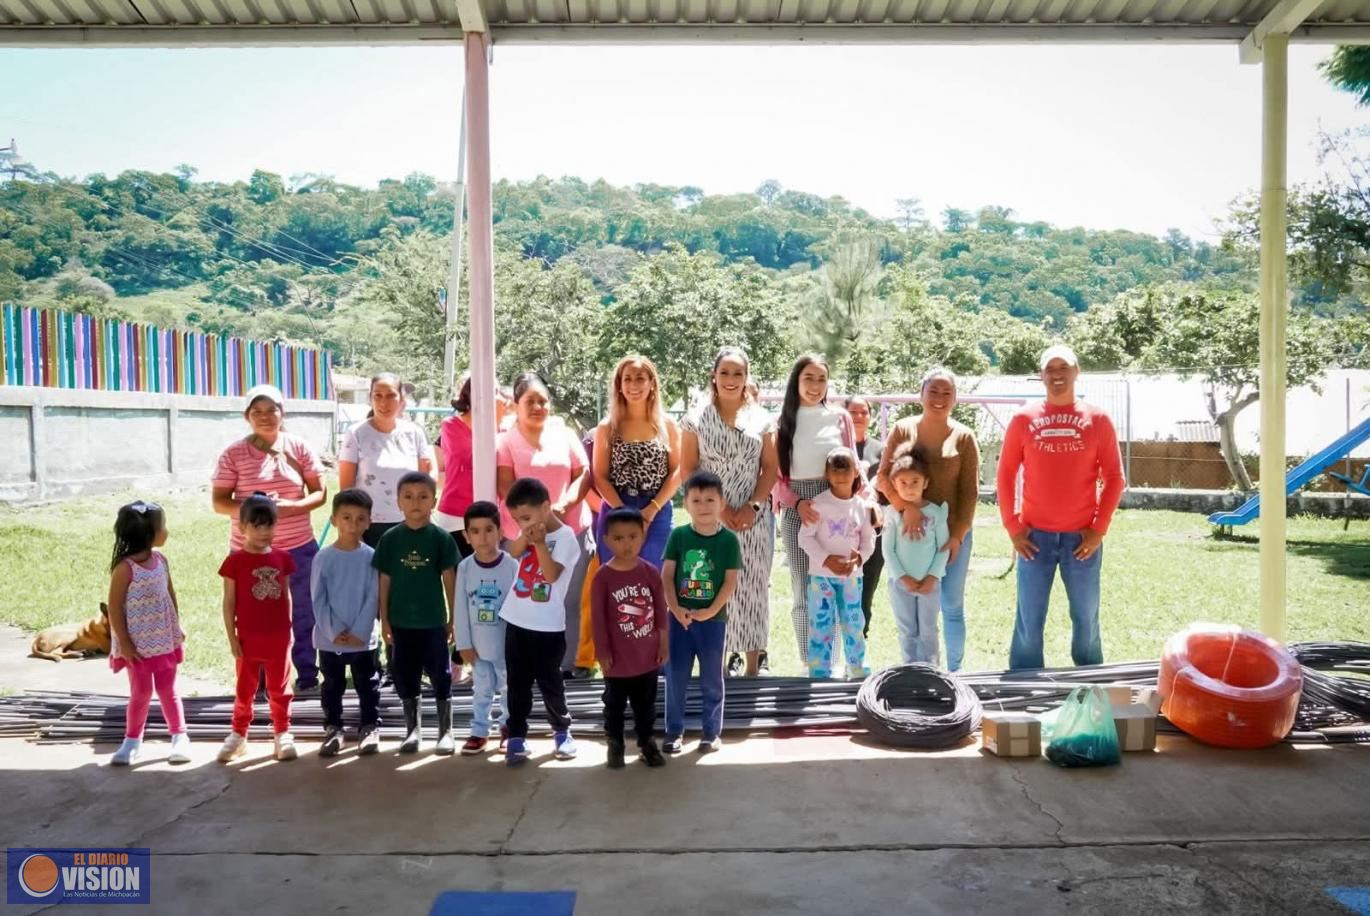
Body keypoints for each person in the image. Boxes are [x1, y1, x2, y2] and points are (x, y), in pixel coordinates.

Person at [998, 344, 1125, 670]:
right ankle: (1024, 690)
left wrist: (1098, 530)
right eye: (1050, 369)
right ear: (1041, 375)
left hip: (1081, 541)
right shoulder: (1024, 419)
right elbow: (1005, 474)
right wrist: (1013, 527)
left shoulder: (1097, 419)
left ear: (1076, 371)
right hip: (1034, 540)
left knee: (1086, 619)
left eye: (1063, 368)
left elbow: (1114, 477)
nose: (1057, 375)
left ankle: (1090, 685)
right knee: (1029, 621)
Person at [212, 384, 326, 693]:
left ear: (282, 412)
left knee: (304, 612)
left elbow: (320, 493)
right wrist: (256, 511)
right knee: (255, 617)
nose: (265, 417)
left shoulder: (299, 447)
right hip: (250, 554)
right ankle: (260, 680)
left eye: (271, 410)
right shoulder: (233, 454)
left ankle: (306, 675)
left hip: (298, 548)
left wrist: (293, 507)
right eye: (257, 412)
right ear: (246, 416)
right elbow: (220, 501)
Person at [680, 346, 778, 679]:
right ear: (714, 375)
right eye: (725, 372)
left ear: (747, 377)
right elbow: (689, 469)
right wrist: (717, 512)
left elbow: (769, 468)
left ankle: (752, 667)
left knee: (752, 588)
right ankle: (715, 667)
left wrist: (752, 506)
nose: (731, 379)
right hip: (710, 516)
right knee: (711, 585)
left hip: (753, 515)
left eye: (738, 373)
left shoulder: (762, 420)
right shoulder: (695, 418)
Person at [876, 368, 981, 672]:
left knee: (951, 605)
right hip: (908, 537)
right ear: (921, 394)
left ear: (955, 398)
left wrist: (958, 535)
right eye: (933, 391)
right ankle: (916, 671)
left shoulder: (964, 437)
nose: (939, 398)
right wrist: (904, 506)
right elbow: (883, 477)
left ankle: (955, 672)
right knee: (910, 605)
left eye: (947, 392)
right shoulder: (903, 430)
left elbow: (969, 492)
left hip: (950, 537)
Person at [496, 372, 593, 675]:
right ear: (516, 404)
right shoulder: (505, 441)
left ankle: (565, 667)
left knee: (568, 600)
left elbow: (583, 473)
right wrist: (536, 521)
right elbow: (505, 486)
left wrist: (563, 506)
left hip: (570, 529)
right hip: (522, 537)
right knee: (526, 600)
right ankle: (523, 666)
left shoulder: (563, 433)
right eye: (530, 401)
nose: (538, 406)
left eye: (543, 401)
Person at [774, 354, 861, 660]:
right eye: (808, 378)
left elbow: (853, 466)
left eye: (821, 379)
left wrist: (859, 504)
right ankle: (810, 661)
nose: (814, 385)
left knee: (835, 583)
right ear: (796, 381)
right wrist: (797, 503)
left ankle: (833, 662)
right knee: (803, 588)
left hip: (835, 507)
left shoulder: (840, 418)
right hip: (799, 508)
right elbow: (776, 477)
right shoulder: (783, 421)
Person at [498, 477, 583, 766]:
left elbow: (550, 575)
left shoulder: (567, 538)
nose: (522, 524)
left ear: (546, 507)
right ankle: (517, 736)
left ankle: (561, 732)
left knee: (551, 684)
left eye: (526, 517)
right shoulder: (528, 533)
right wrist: (528, 535)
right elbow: (512, 551)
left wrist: (540, 543)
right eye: (516, 519)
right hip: (516, 621)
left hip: (547, 628)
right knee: (517, 684)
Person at [374, 471, 459, 754]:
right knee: (405, 674)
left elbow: (449, 578)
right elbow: (384, 581)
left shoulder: (441, 538)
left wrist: (452, 618)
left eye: (423, 497)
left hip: (433, 621)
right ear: (398, 502)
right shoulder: (389, 539)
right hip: (400, 622)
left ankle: (446, 732)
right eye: (408, 497)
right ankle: (412, 731)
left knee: (441, 674)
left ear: (433, 501)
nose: (415, 503)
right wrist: (384, 619)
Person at [662, 471, 741, 755]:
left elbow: (729, 582)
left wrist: (709, 611)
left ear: (721, 502)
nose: (704, 505)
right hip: (679, 621)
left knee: (711, 678)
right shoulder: (678, 536)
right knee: (676, 676)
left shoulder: (729, 541)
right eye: (696, 499)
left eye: (710, 499)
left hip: (712, 622)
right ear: (686, 503)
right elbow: (667, 576)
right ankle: (674, 732)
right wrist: (675, 608)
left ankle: (711, 732)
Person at [106, 500, 188, 767]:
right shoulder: (125, 569)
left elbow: (170, 595)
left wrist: (176, 626)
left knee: (167, 690)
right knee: (140, 693)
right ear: (149, 534)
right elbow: (115, 608)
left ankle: (179, 736)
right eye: (163, 526)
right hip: (138, 647)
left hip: (163, 640)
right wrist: (126, 644)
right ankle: (132, 740)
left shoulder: (161, 561)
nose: (167, 530)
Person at [217, 494, 298, 763]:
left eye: (269, 525)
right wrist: (232, 638)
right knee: (245, 689)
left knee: (280, 688)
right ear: (242, 528)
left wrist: (290, 630)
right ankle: (239, 735)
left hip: (278, 637)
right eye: (256, 525)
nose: (264, 532)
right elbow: (228, 603)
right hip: (248, 639)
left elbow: (286, 595)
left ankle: (282, 733)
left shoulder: (282, 558)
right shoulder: (234, 563)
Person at [590, 508, 670, 769]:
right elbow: (599, 619)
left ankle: (647, 743)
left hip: (646, 657)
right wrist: (602, 653)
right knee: (613, 705)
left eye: (633, 536)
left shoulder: (649, 572)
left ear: (643, 535)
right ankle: (615, 744)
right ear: (606, 540)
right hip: (616, 661)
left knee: (645, 705)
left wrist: (663, 642)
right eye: (619, 538)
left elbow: (660, 611)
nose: (627, 543)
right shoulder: (603, 576)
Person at [311, 489, 382, 758]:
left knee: (368, 684)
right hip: (331, 640)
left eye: (360, 518)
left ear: (369, 522)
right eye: (347, 517)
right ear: (334, 519)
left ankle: (370, 726)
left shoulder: (371, 557)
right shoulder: (324, 557)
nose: (353, 524)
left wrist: (360, 632)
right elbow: (318, 598)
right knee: (332, 685)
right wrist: (334, 630)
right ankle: (333, 728)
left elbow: (373, 595)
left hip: (363, 639)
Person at [592, 355, 680, 570]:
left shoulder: (667, 425)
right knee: (617, 581)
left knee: (655, 578)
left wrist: (650, 511)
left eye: (640, 378)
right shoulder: (607, 427)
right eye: (627, 379)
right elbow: (600, 476)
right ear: (619, 386)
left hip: (657, 510)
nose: (633, 385)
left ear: (652, 384)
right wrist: (625, 514)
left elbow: (678, 471)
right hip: (617, 508)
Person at [798, 447, 876, 679]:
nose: (841, 475)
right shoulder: (817, 505)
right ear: (827, 474)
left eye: (846, 469)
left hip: (852, 578)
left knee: (853, 624)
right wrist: (825, 560)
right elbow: (805, 537)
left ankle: (859, 672)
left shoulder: (862, 507)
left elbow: (869, 539)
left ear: (856, 473)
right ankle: (819, 674)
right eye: (835, 469)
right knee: (820, 625)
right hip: (821, 578)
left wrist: (859, 558)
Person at [339, 373, 434, 547]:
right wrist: (353, 531)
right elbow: (346, 490)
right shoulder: (355, 433)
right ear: (370, 398)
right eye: (378, 396)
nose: (384, 402)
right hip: (369, 526)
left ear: (401, 399)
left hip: (410, 523)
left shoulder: (414, 433)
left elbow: (427, 478)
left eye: (391, 395)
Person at [454, 500, 518, 755]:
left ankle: (509, 728)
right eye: (476, 531)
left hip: (505, 646)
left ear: (501, 532)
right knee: (481, 690)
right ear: (466, 536)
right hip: (477, 648)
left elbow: (518, 607)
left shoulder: (511, 566)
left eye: (489, 529)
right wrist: (463, 644)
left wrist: (517, 644)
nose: (483, 537)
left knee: (507, 688)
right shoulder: (465, 568)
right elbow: (459, 608)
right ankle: (479, 731)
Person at [882, 445, 951, 666]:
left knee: (929, 629)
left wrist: (932, 577)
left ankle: (931, 669)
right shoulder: (892, 515)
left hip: (930, 584)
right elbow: (888, 550)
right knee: (907, 629)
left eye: (915, 482)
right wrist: (903, 577)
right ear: (894, 484)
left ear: (926, 483)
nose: (909, 488)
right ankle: (909, 668)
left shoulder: (936, 513)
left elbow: (943, 548)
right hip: (900, 584)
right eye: (903, 483)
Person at [435, 375, 514, 558]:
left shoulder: (504, 430)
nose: (496, 397)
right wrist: (495, 421)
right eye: (490, 392)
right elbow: (472, 457)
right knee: (458, 576)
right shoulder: (451, 425)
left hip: (489, 514)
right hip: (455, 515)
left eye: (496, 392)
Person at [846, 395, 886, 638]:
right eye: (854, 412)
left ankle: (862, 634)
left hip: (873, 528)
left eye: (864, 412)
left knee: (867, 585)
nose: (859, 417)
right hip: (842, 527)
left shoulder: (881, 450)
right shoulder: (837, 448)